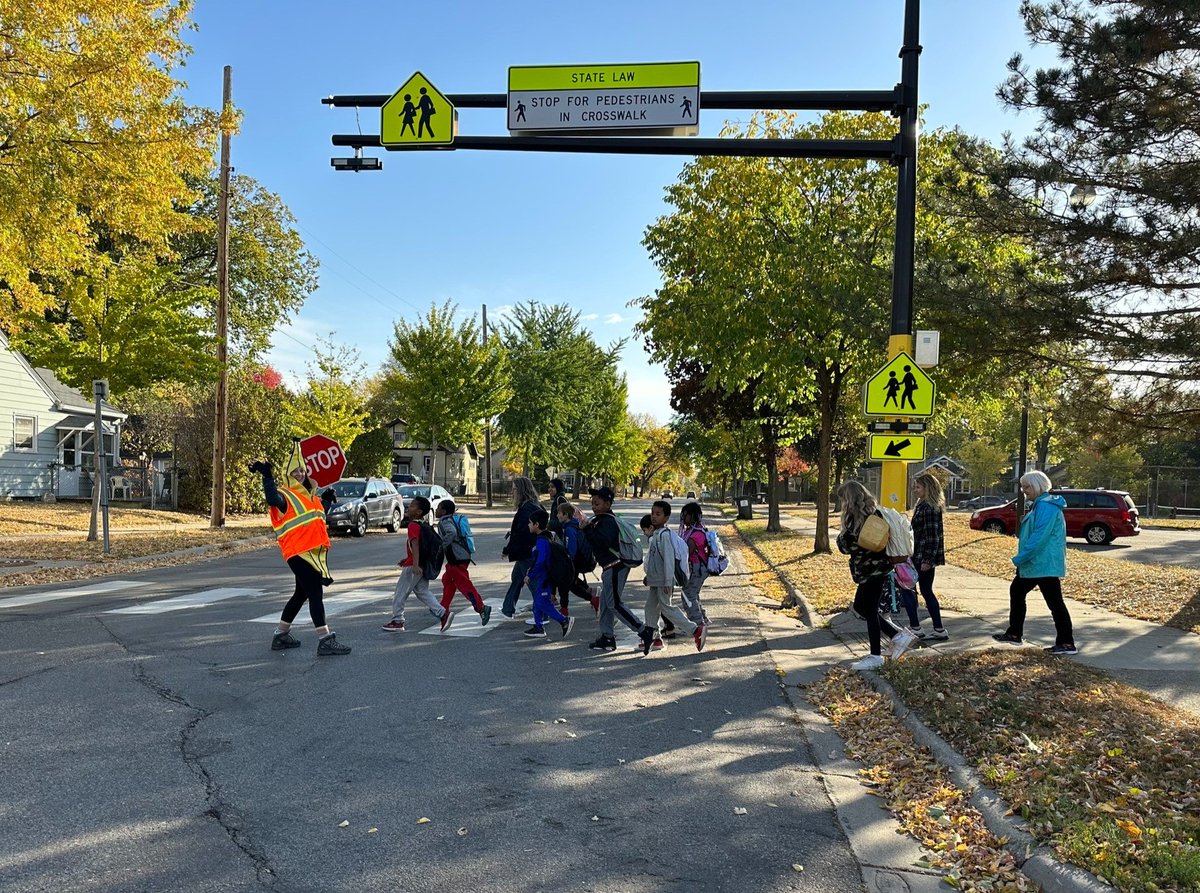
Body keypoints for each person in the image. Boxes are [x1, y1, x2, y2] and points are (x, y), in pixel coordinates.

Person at [249, 457, 350, 656]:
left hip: (310, 554)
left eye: (302, 471)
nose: (300, 474)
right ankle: (325, 639)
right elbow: (271, 499)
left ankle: (281, 635)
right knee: (315, 594)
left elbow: (316, 517)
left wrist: (327, 499)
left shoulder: (309, 497)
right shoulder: (285, 495)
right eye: (295, 472)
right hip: (298, 553)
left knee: (301, 594)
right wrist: (267, 476)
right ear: (288, 475)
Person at [993, 471, 1076, 655]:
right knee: (1020, 592)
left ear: (1038, 485)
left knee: (1053, 602)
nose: (1024, 491)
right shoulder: (1041, 505)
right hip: (1038, 563)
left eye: (1027, 487)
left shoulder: (1046, 507)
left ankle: (1066, 643)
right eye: (1023, 487)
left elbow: (1039, 537)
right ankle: (1015, 633)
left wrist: (1020, 558)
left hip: (1042, 563)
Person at [836, 480, 915, 670]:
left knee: (869, 610)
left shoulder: (855, 520)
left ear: (849, 499)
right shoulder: (877, 514)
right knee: (861, 607)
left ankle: (876, 656)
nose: (841, 504)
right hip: (880, 569)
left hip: (869, 571)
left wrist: (840, 536)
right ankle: (897, 636)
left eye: (842, 500)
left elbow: (846, 546)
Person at [582, 486, 645, 652]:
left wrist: (587, 529)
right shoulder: (601, 520)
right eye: (592, 503)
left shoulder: (608, 522)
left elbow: (601, 542)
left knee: (614, 604)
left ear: (608, 504)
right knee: (605, 603)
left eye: (597, 503)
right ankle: (607, 637)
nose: (594, 506)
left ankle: (644, 631)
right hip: (611, 567)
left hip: (615, 566)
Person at [382, 495, 456, 633]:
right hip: (420, 564)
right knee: (422, 592)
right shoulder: (424, 525)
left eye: (412, 506)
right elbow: (419, 547)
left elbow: (415, 545)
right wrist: (407, 560)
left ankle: (397, 621)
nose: (409, 508)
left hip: (414, 567)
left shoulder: (413, 525)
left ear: (419, 512)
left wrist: (414, 564)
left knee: (400, 593)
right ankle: (443, 614)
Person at [643, 500, 703, 654]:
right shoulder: (656, 534)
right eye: (653, 513)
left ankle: (695, 630)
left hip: (664, 581)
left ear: (666, 518)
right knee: (650, 607)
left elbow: (669, 559)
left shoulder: (665, 535)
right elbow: (653, 558)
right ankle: (654, 637)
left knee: (667, 608)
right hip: (655, 580)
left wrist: (669, 580)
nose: (654, 517)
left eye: (658, 514)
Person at [436, 499, 491, 626]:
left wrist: (442, 546)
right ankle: (442, 610)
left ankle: (482, 608)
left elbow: (451, 532)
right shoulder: (450, 519)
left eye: (438, 508)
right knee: (447, 582)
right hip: (460, 557)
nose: (437, 510)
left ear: (443, 511)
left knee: (464, 585)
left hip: (457, 558)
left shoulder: (445, 521)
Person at [523, 509, 575, 640]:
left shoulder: (542, 541)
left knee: (542, 602)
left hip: (546, 578)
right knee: (538, 601)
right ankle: (538, 627)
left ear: (536, 524)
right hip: (545, 578)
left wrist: (530, 574)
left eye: (530, 523)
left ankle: (564, 621)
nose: (528, 525)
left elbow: (540, 561)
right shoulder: (547, 537)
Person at [909, 473, 949, 640]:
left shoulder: (929, 508)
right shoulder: (923, 505)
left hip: (922, 557)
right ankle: (938, 629)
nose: (916, 490)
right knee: (925, 591)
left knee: (910, 589)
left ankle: (916, 627)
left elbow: (933, 536)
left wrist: (927, 560)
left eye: (918, 487)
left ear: (928, 488)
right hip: (918, 555)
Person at [500, 476, 541, 618]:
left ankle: (543, 613)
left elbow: (520, 533)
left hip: (527, 552)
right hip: (527, 551)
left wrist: (508, 549)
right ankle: (507, 608)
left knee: (532, 583)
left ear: (522, 491)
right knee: (517, 578)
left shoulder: (527, 509)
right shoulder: (532, 505)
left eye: (514, 489)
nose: (512, 492)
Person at [554, 501, 598, 615]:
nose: (557, 515)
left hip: (573, 562)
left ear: (566, 515)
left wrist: (566, 558)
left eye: (559, 513)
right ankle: (566, 608)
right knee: (568, 584)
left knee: (568, 584)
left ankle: (592, 600)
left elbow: (572, 549)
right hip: (576, 561)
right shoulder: (573, 526)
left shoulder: (569, 529)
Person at [639, 514, 675, 645]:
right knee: (653, 608)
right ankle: (655, 637)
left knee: (663, 608)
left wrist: (663, 580)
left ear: (650, 527)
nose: (644, 534)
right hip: (657, 578)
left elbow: (657, 561)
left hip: (661, 579)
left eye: (644, 530)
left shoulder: (655, 539)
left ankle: (694, 629)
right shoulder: (657, 538)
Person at [677, 502, 711, 632]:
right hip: (696, 567)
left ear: (692, 516)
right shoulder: (693, 530)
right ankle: (701, 618)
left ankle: (698, 624)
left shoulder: (696, 533)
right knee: (693, 594)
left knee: (688, 596)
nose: (682, 518)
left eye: (685, 515)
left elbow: (687, 552)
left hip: (697, 568)